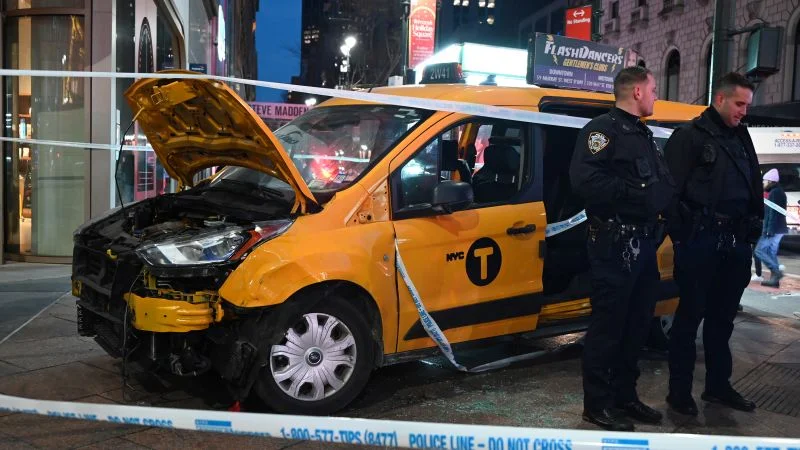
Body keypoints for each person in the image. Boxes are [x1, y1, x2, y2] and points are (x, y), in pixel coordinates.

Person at [569, 66, 674, 431]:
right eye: (654, 89)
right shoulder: (602, 131)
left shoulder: (642, 133)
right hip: (614, 245)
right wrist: (638, 196)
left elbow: (661, 184)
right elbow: (586, 181)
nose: (656, 95)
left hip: (643, 244)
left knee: (637, 325)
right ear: (637, 92)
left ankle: (625, 397)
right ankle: (597, 404)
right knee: (609, 327)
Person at [664, 72, 762, 416]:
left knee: (723, 321)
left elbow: (753, 185)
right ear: (719, 99)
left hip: (734, 242)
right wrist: (683, 238)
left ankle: (718, 387)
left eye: (747, 105)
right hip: (700, 240)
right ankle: (679, 392)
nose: (743, 112)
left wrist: (751, 234)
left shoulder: (741, 136)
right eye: (739, 104)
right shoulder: (689, 136)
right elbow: (669, 192)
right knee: (689, 319)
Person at [755, 168, 788, 287]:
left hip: (773, 229)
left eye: (764, 181)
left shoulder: (774, 193)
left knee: (759, 251)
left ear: (770, 181)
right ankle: (775, 281)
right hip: (779, 228)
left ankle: (776, 272)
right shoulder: (780, 192)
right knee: (771, 252)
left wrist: (769, 230)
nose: (763, 183)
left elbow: (772, 213)